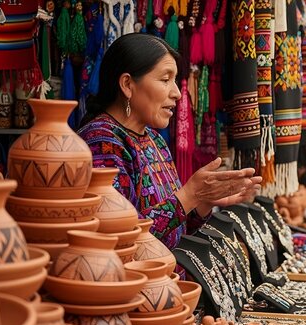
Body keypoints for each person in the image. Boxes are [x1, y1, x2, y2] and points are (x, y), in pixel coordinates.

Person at [78, 33, 262, 249]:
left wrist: (202, 201)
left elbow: (176, 233)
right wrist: (188, 195)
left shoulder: (155, 140)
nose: (176, 93)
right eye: (165, 80)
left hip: (167, 280)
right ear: (127, 84)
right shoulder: (101, 143)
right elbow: (120, 238)